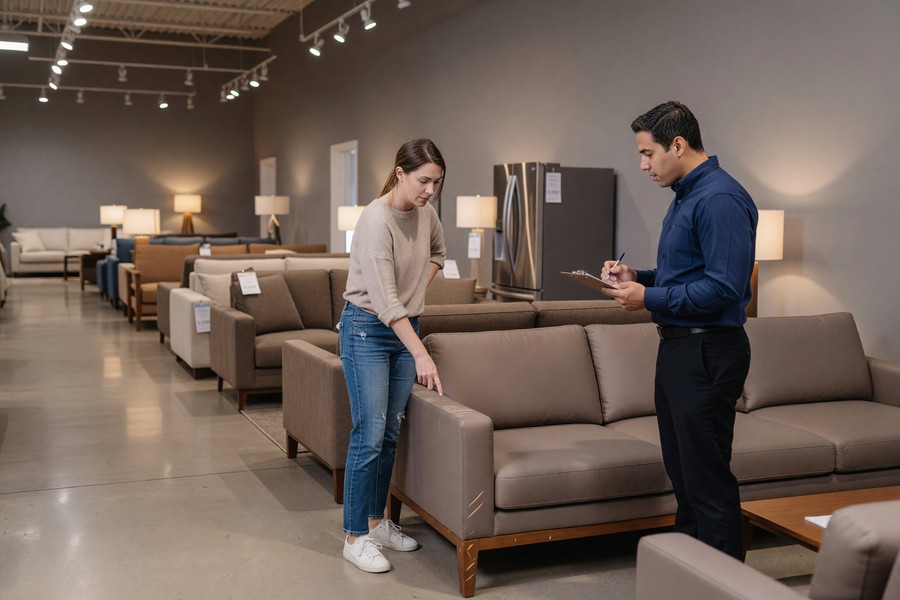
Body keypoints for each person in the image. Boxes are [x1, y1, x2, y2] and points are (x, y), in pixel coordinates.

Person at [601, 101, 757, 560]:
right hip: (680, 351)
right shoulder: (687, 196)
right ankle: (691, 577)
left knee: (706, 481)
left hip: (707, 351)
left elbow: (725, 289)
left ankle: (724, 586)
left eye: (648, 153)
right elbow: (689, 275)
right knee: (685, 477)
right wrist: (640, 278)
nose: (643, 165)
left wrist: (648, 299)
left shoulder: (720, 199)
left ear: (678, 144)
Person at [339, 138, 447, 573]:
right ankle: (354, 535)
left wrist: (419, 287)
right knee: (369, 432)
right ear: (400, 172)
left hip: (404, 328)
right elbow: (385, 303)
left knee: (389, 433)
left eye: (436, 183)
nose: (429, 191)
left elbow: (438, 254)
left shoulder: (426, 214)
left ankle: (376, 522)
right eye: (423, 181)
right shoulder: (374, 220)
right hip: (366, 329)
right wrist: (422, 354)